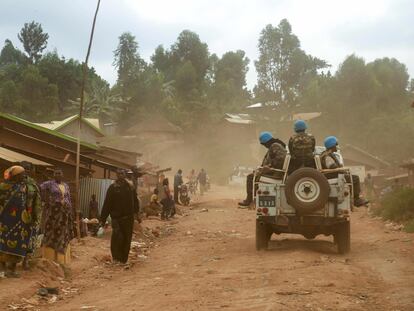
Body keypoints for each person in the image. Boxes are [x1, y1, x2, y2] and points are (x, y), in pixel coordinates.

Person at [0, 166, 41, 278]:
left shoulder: (26, 187)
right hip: (6, 221)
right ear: (16, 176)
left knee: (18, 245)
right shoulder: (4, 187)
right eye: (21, 174)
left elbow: (33, 203)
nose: (24, 176)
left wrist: (33, 216)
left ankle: (12, 269)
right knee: (3, 244)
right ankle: (4, 269)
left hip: (21, 222)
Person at [100, 169, 139, 264]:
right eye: (119, 174)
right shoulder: (112, 188)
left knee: (127, 239)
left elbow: (135, 201)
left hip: (128, 218)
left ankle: (123, 259)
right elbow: (107, 204)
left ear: (125, 175)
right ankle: (116, 258)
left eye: (122, 173)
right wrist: (103, 219)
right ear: (116, 175)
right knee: (117, 237)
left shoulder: (130, 187)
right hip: (116, 219)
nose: (121, 175)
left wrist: (137, 213)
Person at [239, 132, 287, 207]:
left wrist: (270, 166)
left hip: (274, 172)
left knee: (250, 177)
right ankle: (253, 199)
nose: (264, 146)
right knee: (254, 174)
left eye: (263, 144)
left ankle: (250, 200)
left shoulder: (275, 146)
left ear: (266, 142)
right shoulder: (274, 146)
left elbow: (281, 159)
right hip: (272, 171)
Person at [321, 136, 369, 207]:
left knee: (351, 176)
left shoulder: (328, 154)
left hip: (334, 174)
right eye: (336, 145)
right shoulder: (327, 156)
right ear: (332, 146)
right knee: (355, 178)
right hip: (332, 176)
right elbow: (332, 167)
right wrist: (342, 170)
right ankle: (356, 200)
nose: (337, 146)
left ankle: (352, 198)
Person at [40, 168, 74, 265]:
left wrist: (70, 211)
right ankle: (49, 259)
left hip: (64, 214)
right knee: (51, 233)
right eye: (56, 173)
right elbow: (39, 188)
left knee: (63, 233)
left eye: (59, 173)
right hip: (53, 214)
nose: (58, 175)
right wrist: (46, 201)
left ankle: (61, 261)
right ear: (53, 175)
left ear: (62, 175)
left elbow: (69, 199)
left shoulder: (66, 185)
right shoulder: (49, 184)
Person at [20, 161, 42, 271]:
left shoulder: (33, 184)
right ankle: (10, 262)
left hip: (29, 215)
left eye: (28, 168)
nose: (26, 170)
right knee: (14, 238)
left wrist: (36, 216)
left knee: (29, 238)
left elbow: (37, 201)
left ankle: (26, 261)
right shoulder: (13, 181)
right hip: (14, 215)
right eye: (24, 168)